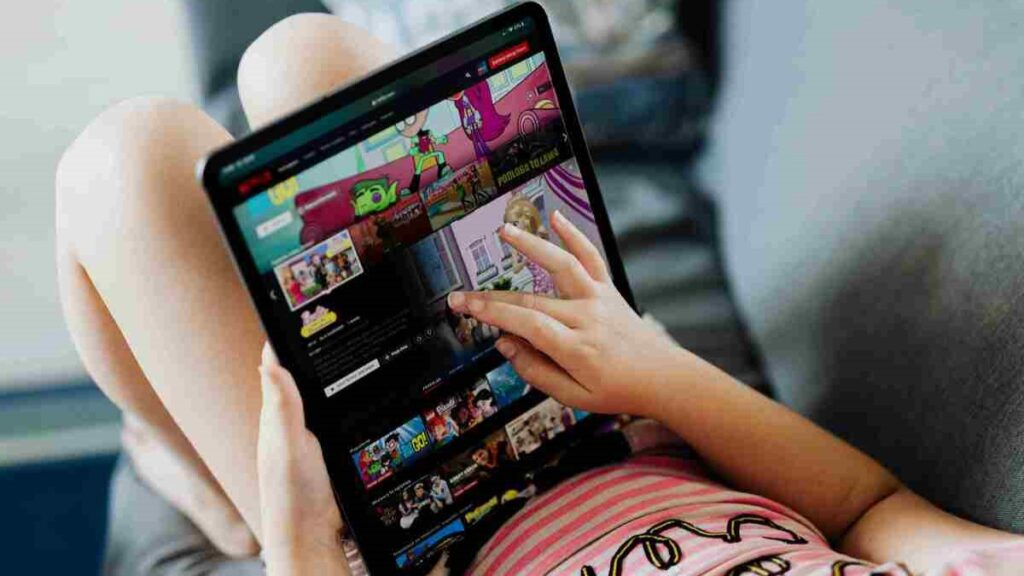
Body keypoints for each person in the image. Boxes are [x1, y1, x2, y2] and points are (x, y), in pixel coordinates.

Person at [56, 14, 1023, 576]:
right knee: (303, 57)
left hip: (401, 538)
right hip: (611, 414)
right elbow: (866, 503)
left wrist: (299, 536)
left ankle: (219, 496)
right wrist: (656, 369)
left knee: (120, 165)